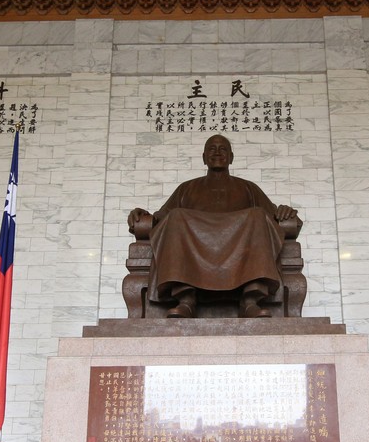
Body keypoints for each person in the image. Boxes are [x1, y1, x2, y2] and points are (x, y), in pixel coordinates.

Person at [128, 135, 301, 318]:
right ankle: (186, 299)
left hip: (241, 244)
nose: (217, 153)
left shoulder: (248, 188)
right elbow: (161, 219)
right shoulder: (186, 188)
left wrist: (285, 212)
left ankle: (250, 300)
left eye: (223, 149)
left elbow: (272, 216)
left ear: (232, 157)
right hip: (194, 243)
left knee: (258, 215)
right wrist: (143, 215)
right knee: (176, 216)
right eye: (212, 149)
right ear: (203, 157)